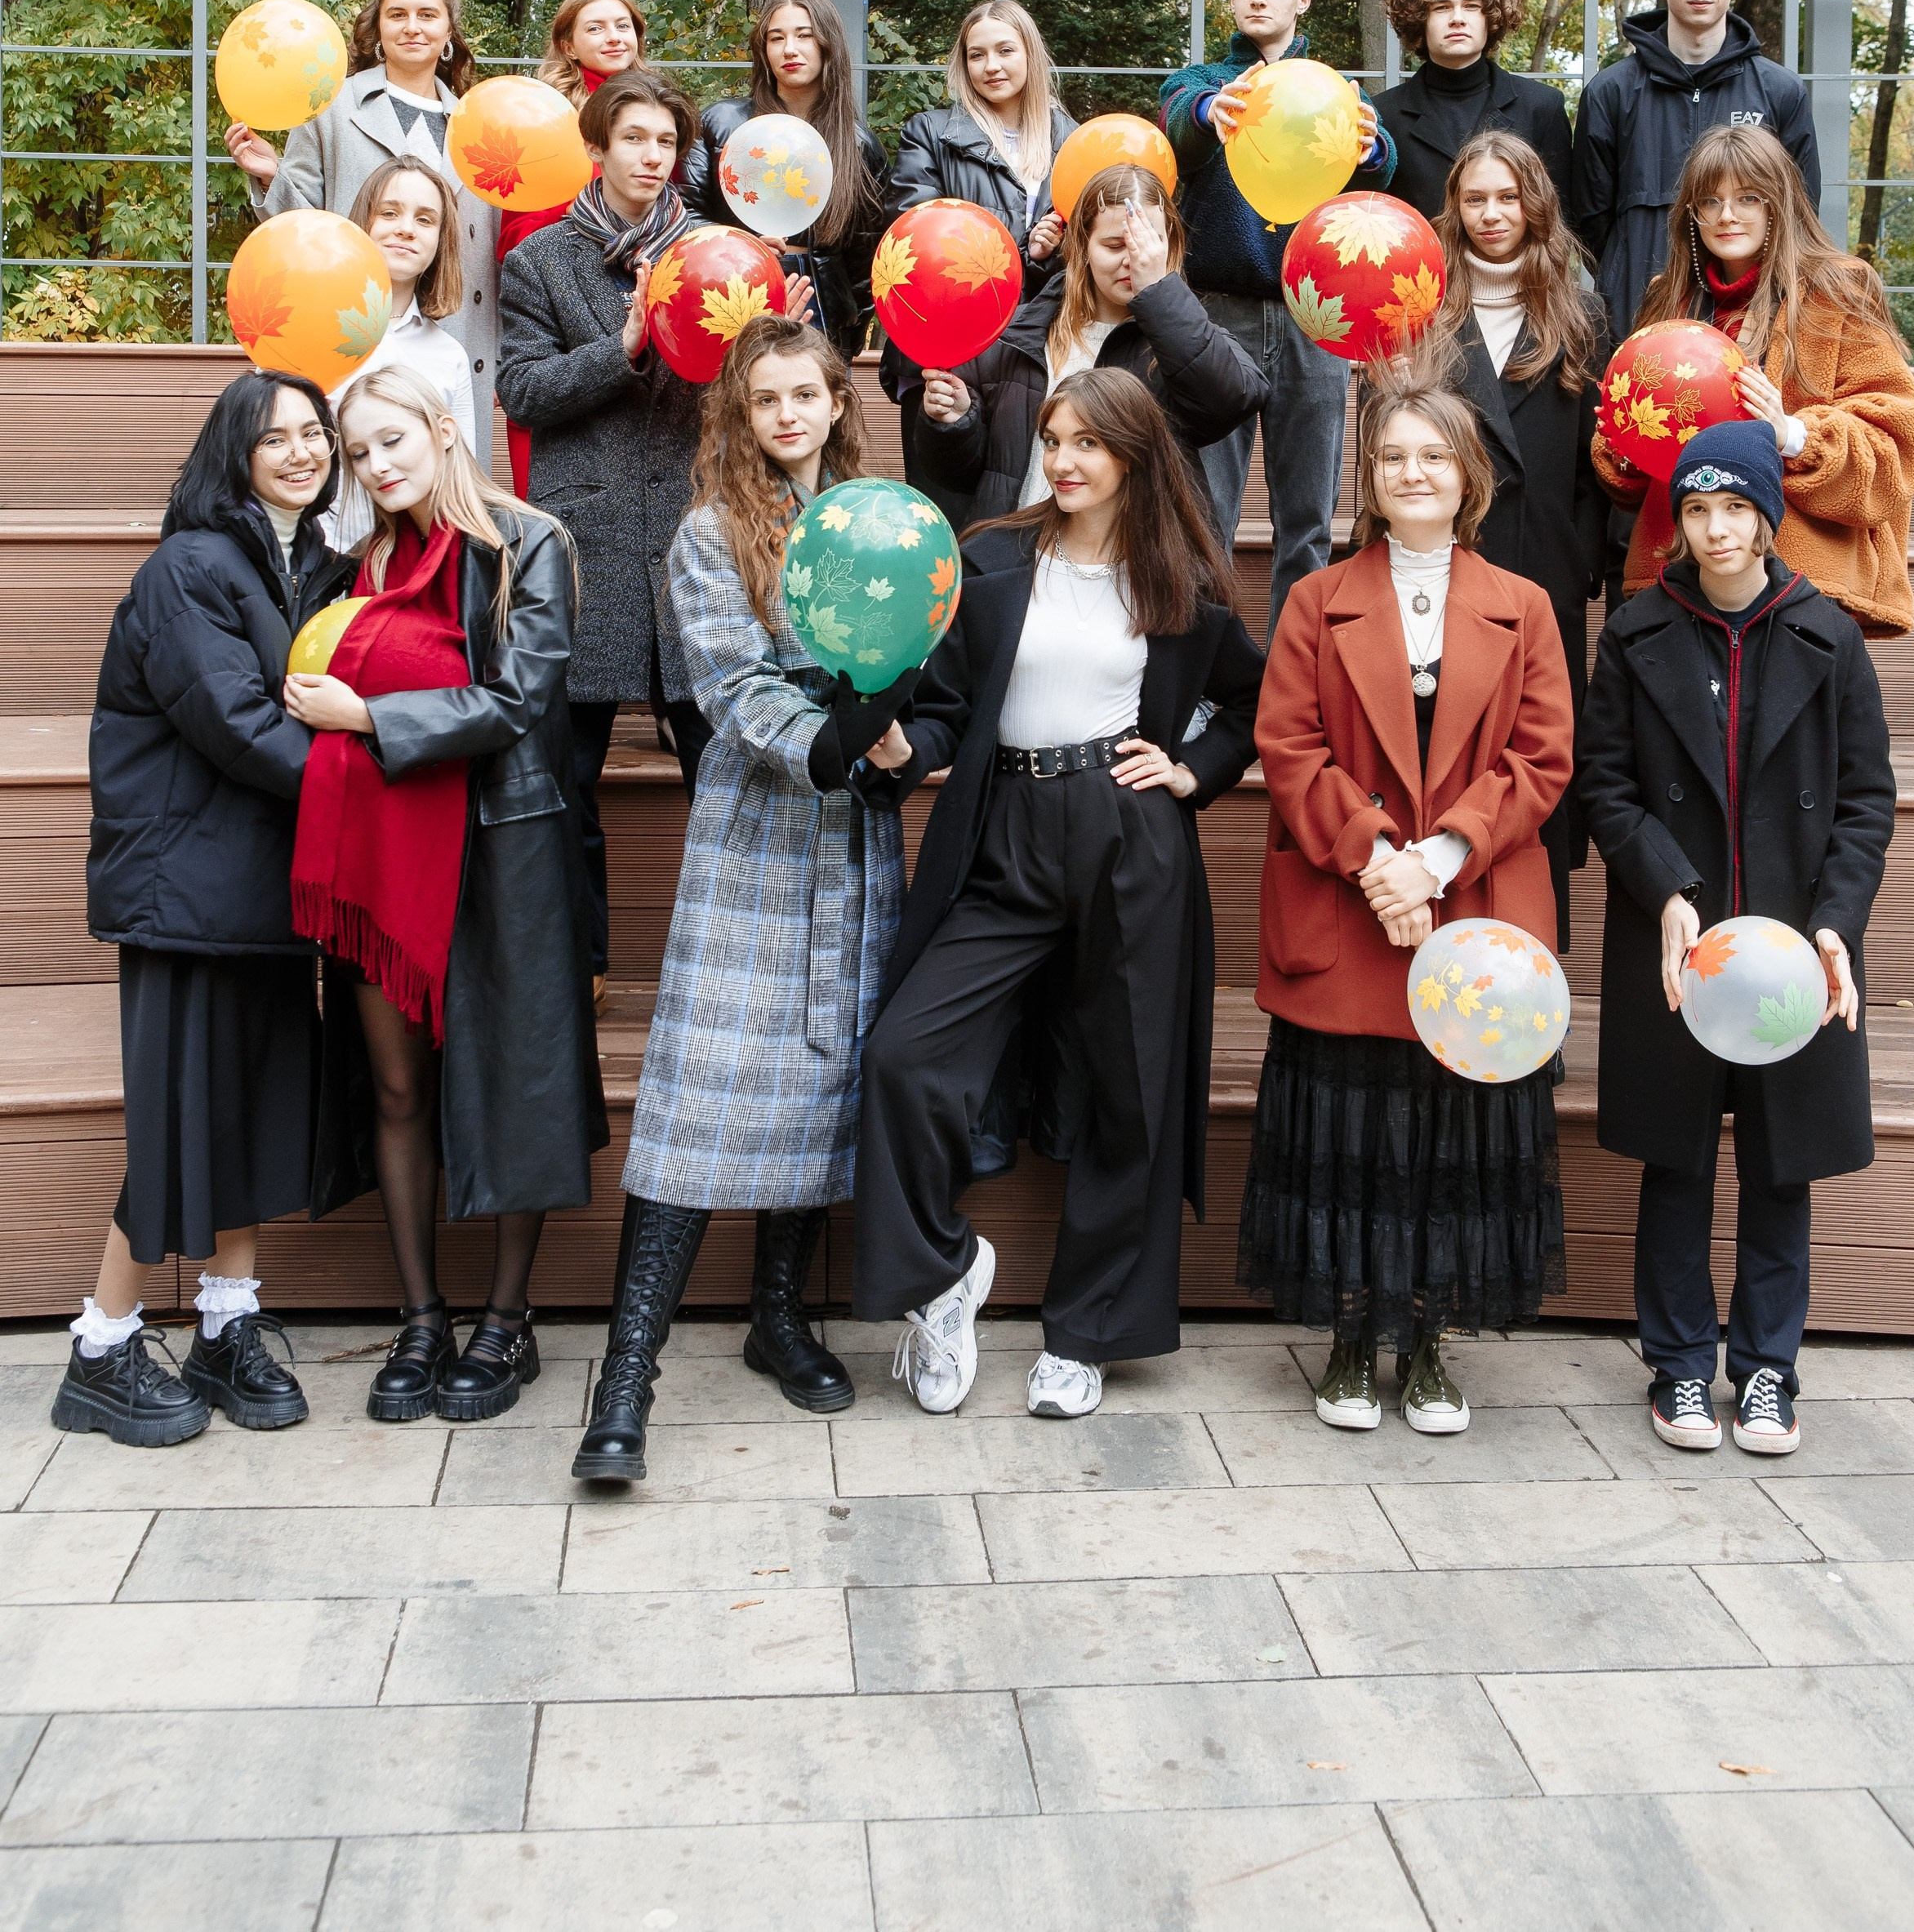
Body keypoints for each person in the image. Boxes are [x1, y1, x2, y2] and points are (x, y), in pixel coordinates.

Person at [852, 370, 1265, 1418]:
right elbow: (946, 709)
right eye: (1053, 436)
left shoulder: (1179, 576)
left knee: (1132, 1088)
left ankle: (1086, 1335)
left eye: (1090, 441)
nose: (1066, 458)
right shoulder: (991, 557)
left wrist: (1192, 770)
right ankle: (942, 1277)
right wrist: (905, 748)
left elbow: (1252, 698)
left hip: (1129, 836)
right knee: (906, 1053)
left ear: (1135, 452)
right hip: (1006, 834)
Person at [572, 318, 911, 1483]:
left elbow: (917, 649)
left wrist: (909, 732)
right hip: (759, 827)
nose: (785, 415)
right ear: (739, 412)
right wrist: (834, 741)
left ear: (834, 400)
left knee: (823, 1071)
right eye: (763, 398)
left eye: (804, 394)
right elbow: (733, 683)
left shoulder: (878, 522)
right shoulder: (710, 531)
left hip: (857, 837)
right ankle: (626, 1374)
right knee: (702, 1089)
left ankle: (778, 1314)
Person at [1242, 374, 1573, 1437]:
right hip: (1347, 906)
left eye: (1432, 455)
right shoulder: (1313, 597)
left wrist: (1433, 858)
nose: (1411, 472)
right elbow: (1287, 746)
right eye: (1391, 457)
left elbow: (1541, 755)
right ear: (1370, 481)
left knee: (1444, 1136)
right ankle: (1347, 1335)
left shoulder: (1522, 605)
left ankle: (1427, 1341)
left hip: (1471, 905)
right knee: (1357, 1127)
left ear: (1466, 476)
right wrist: (1376, 857)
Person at [288, 363, 605, 1424]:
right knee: (393, 1088)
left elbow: (520, 699)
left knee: (515, 1081)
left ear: (440, 429)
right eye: (359, 451)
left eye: (392, 441)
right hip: (385, 860)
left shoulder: (531, 542)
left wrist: (369, 719)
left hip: (503, 852)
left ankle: (503, 1319)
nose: (377, 466)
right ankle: (421, 1314)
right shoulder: (355, 564)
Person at [51, 374, 355, 1449]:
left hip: (269, 890)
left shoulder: (315, 564)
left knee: (254, 1106)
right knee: (183, 1116)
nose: (301, 449)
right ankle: (100, 1341)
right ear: (233, 450)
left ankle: (227, 1320)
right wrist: (363, 787)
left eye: (314, 432)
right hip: (183, 891)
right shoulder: (190, 568)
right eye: (275, 436)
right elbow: (233, 721)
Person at [1578, 423, 1892, 1454]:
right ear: (1678, 519)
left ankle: (1766, 1372)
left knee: (1779, 1166)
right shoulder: (1634, 632)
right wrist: (1664, 883)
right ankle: (1675, 1367)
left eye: (1736, 510)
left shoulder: (1827, 635)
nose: (1716, 531)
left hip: (1794, 953)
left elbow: (1864, 804)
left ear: (1769, 517)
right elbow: (1607, 787)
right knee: (1675, 1161)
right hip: (1678, 946)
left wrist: (1835, 927)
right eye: (1697, 509)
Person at [495, 69, 714, 998]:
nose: (651, 157)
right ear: (597, 146)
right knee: (567, 775)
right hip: (586, 541)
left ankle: (718, 956)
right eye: (633, 139)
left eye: (665, 143)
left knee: (719, 767)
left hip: (695, 536)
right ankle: (576, 963)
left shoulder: (713, 252)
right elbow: (523, 392)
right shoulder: (537, 262)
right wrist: (620, 351)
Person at [1592, 122, 1914, 638]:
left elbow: (1895, 449)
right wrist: (1623, 444)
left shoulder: (1837, 291)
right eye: (1710, 201)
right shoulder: (1669, 299)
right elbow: (1639, 476)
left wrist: (1790, 433)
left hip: (1801, 590)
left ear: (1778, 204)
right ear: (1692, 214)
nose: (1727, 215)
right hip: (1678, 582)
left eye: (1748, 197)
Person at [1160, 0, 1395, 631]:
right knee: (1205, 513)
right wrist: (1209, 113)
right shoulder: (1202, 81)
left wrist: (1370, 143)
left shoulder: (1332, 89)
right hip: (1216, 315)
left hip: (1314, 315)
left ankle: (1298, 674)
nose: (1257, 1)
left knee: (1308, 518)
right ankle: (1206, 679)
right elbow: (1178, 130)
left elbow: (1377, 167)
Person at [1435, 131, 1610, 940]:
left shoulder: (1579, 311)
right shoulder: (1424, 304)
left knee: (1535, 768)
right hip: (1444, 566)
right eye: (1476, 198)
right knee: (1447, 760)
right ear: (1455, 209)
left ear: (1535, 203)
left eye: (1508, 197)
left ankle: (1532, 978)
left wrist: (1578, 561)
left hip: (1544, 572)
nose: (1492, 213)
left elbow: (1597, 463)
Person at [915, 162, 1266, 532]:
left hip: (1128, 567)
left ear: (1170, 244)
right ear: (1082, 247)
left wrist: (1160, 294)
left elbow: (1231, 400)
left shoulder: (1183, 335)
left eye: (1148, 245)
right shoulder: (1019, 335)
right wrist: (956, 422)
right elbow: (964, 475)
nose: (1134, 260)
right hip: (1019, 559)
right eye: (1115, 245)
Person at [225, 0, 501, 424]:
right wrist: (274, 178)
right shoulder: (331, 109)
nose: (412, 27)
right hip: (353, 331)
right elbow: (299, 236)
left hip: (455, 337)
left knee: (447, 481)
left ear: (449, 31)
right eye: (397, 15)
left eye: (427, 15)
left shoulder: (481, 124)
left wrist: (496, 354)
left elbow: (494, 250)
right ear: (377, 29)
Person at [1571, 0, 1820, 342]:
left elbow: (1800, 213)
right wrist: (1630, 270)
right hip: (1636, 315)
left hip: (1750, 322)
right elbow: (1590, 220)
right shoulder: (1609, 93)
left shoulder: (1781, 92)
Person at [882, 0, 1077, 512]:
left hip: (1034, 356)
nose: (991, 66)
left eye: (1005, 50)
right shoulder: (931, 133)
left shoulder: (1072, 139)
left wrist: (1051, 254)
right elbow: (917, 240)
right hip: (950, 355)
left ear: (1031, 55)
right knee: (946, 514)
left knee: (1022, 512)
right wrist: (1023, 250)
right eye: (976, 55)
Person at [688, 0, 889, 358]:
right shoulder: (723, 122)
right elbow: (685, 212)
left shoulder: (859, 145)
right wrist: (739, 249)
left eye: (804, 35)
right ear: (763, 51)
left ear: (828, 44)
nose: (789, 49)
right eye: (775, 38)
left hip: (823, 304)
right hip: (733, 290)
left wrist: (851, 328)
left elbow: (868, 258)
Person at [500, 0, 647, 492]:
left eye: (623, 25)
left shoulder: (657, 109)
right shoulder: (543, 117)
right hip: (563, 296)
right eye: (596, 27)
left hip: (644, 296)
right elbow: (520, 224)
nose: (613, 37)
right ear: (567, 44)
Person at [327, 162, 476, 545]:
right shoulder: (309, 332)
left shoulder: (447, 355)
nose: (406, 229)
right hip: (318, 555)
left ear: (441, 241)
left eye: (425, 220)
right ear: (363, 223)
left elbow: (463, 479)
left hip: (413, 561)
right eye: (389, 213)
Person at [1375, 0, 1573, 220]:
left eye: (1471, 6)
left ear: (1490, 17)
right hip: (1420, 262)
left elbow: (1560, 217)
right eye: (1442, 7)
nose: (1457, 18)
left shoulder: (1541, 107)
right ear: (1419, 19)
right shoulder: (1384, 114)